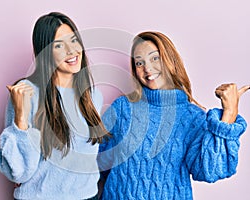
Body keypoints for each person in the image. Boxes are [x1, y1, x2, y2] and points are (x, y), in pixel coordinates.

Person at [97, 31, 249, 199]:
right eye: (139, 63)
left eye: (155, 58)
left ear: (169, 60)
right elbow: (99, 163)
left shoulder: (192, 117)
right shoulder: (122, 108)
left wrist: (229, 114)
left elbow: (210, 171)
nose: (147, 68)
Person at [0, 12, 109, 200]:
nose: (71, 50)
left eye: (73, 40)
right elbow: (18, 173)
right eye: (58, 45)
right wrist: (20, 118)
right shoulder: (27, 93)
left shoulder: (93, 97)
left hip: (87, 196)